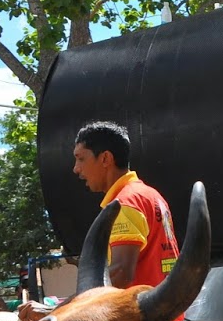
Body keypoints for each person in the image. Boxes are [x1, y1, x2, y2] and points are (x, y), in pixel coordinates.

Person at [71, 121, 181, 289]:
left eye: (81, 159)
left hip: (142, 315)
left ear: (105, 158)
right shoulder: (149, 195)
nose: (76, 169)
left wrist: (64, 309)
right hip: (168, 313)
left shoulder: (125, 203)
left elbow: (120, 274)